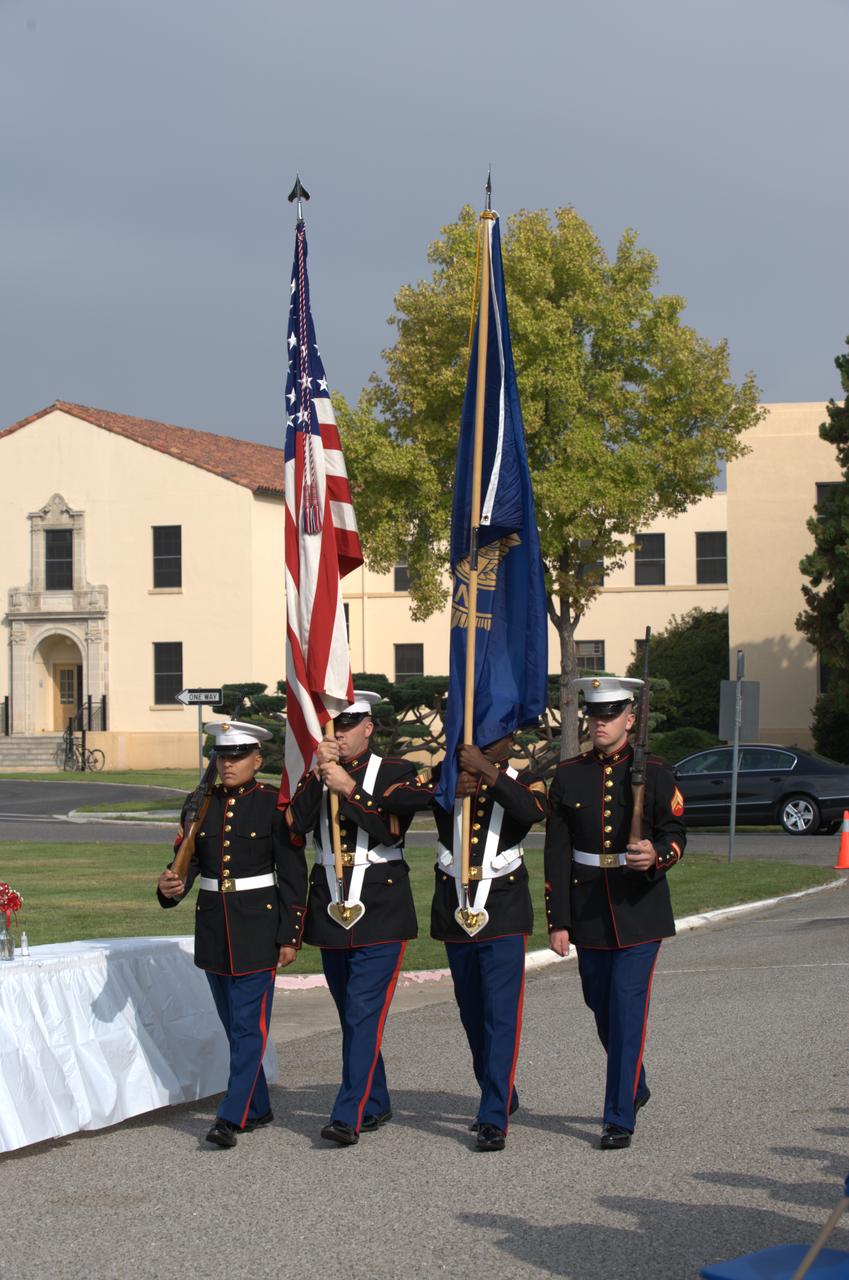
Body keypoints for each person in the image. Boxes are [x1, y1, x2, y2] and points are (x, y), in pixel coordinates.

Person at [382, 735, 547, 1151]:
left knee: (501, 1015)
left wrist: (487, 772)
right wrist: (445, 788)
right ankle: (498, 1090)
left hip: (504, 909)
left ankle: (492, 1115)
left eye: (493, 735)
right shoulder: (443, 775)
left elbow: (532, 811)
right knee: (472, 1013)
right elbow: (394, 797)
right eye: (477, 734)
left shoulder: (526, 778)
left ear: (510, 740)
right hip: (455, 910)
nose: (481, 741)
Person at [544, 677, 686, 1150]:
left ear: (630, 718)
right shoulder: (569, 774)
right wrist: (559, 920)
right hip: (588, 907)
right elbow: (556, 853)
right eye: (594, 714)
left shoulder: (655, 771)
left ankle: (618, 1116)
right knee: (601, 1006)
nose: (600, 723)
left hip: (638, 908)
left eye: (610, 715)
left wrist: (658, 854)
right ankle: (634, 1083)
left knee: (626, 1010)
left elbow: (676, 832)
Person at [157, 720, 307, 1149]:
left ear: (257, 760)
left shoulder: (273, 805)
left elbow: (292, 875)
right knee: (234, 1026)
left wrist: (290, 935)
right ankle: (257, 1105)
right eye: (222, 756)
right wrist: (169, 888)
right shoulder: (199, 804)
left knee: (247, 1028)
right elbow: (187, 865)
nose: (228, 764)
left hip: (257, 927)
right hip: (213, 927)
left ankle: (232, 1114)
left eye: (238, 756)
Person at [286, 692, 417, 1146]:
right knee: (351, 1015)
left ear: (368, 727)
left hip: (380, 907)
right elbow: (295, 825)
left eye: (348, 725)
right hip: (331, 904)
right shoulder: (320, 772)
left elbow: (390, 830)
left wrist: (348, 788)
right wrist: (318, 773)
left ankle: (348, 1114)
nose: (339, 733)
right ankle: (375, 1100)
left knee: (363, 1012)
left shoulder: (395, 771)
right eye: (334, 726)